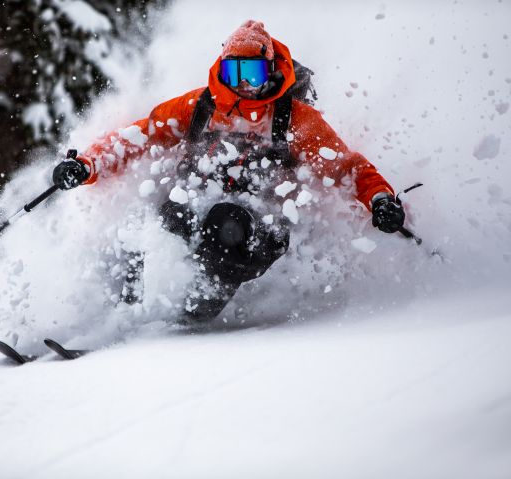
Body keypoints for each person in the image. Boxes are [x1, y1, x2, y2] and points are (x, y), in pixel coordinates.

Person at [52, 20, 405, 322]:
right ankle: (114, 316)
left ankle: (192, 312)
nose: (243, 84)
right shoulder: (201, 105)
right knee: (143, 223)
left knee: (226, 222)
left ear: (270, 72)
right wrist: (87, 164)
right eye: (233, 73)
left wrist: (378, 199)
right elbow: (140, 135)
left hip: (259, 226)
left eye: (251, 73)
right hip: (194, 201)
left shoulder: (294, 119)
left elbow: (345, 167)